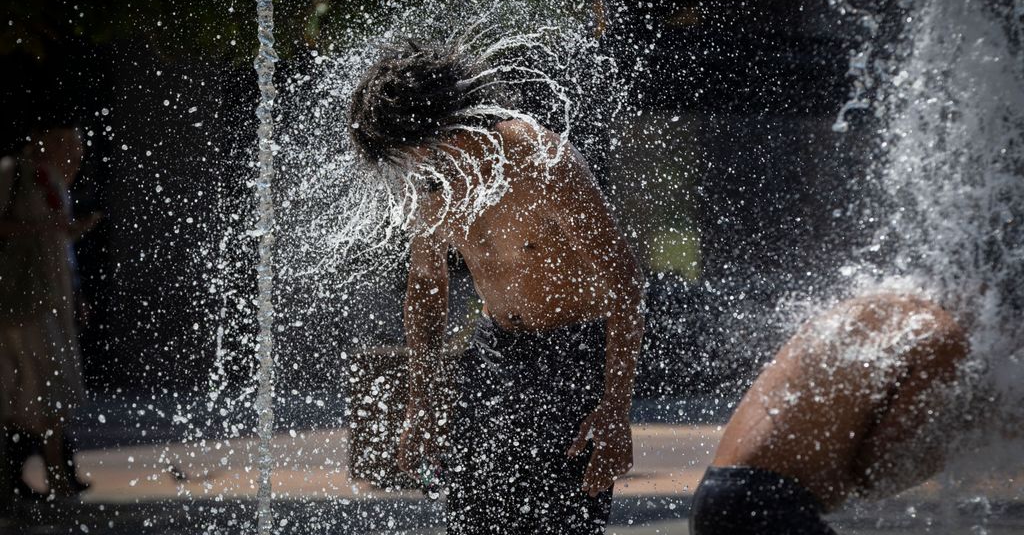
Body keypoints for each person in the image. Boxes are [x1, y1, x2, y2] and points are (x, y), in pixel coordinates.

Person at [348, 40, 646, 533]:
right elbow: (425, 287)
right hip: (494, 351)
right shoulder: (432, 190)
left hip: (573, 354)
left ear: (438, 128)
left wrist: (615, 409)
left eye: (413, 154)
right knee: (472, 519)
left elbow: (626, 280)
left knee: (560, 520)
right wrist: (421, 403)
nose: (413, 169)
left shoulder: (542, 160)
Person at [690, 293, 988, 535]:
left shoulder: (881, 306)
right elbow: (874, 474)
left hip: (717, 495)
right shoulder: (945, 336)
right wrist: (968, 438)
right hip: (769, 505)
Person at [0, 121, 99, 505]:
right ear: (41, 141)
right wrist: (46, 227)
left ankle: (48, 476)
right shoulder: (13, 174)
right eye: (65, 145)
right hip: (18, 302)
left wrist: (75, 293)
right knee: (33, 388)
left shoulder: (53, 182)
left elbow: (59, 244)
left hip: (49, 300)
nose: (74, 154)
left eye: (77, 148)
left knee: (46, 389)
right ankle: (54, 476)